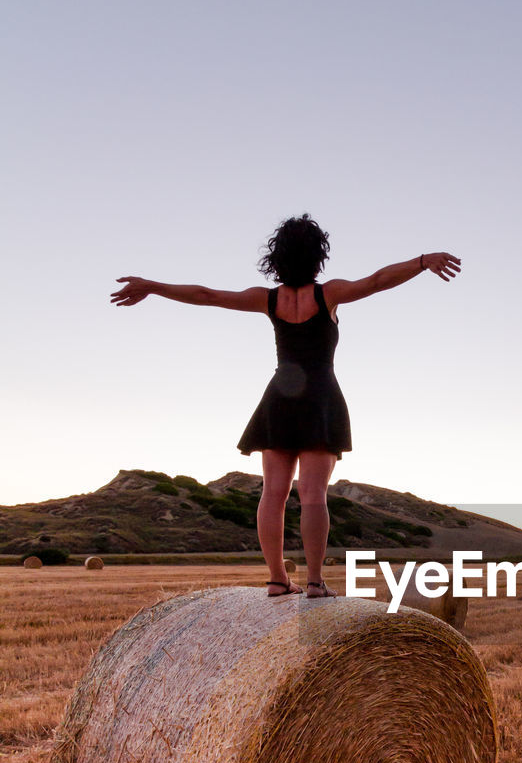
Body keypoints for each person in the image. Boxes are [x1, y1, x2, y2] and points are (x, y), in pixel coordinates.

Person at [111, 214, 461, 597]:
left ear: (276, 257)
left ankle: (277, 579)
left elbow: (207, 295)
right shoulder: (329, 294)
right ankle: (314, 582)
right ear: (318, 255)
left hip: (280, 395)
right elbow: (376, 282)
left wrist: (153, 286)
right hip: (320, 396)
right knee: (312, 495)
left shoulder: (268, 299)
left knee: (272, 493)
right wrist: (422, 261)